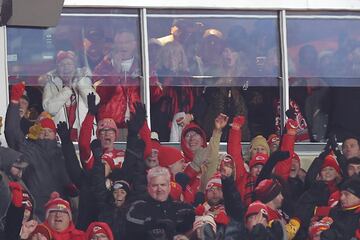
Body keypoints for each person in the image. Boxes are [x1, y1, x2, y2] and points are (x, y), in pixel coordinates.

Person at [124, 166, 195, 240]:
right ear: (148, 187)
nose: (159, 189)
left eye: (163, 185)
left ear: (169, 187)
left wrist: (183, 236)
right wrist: (157, 223)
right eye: (155, 185)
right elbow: (131, 223)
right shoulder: (138, 206)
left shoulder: (183, 208)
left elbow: (198, 223)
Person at [42, 50, 100, 140]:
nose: (66, 68)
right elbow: (49, 109)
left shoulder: (84, 80)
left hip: (85, 135)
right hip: (61, 135)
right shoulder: (51, 84)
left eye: (69, 64)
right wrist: (67, 90)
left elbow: (95, 102)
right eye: (62, 65)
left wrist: (80, 82)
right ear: (57, 68)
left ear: (75, 67)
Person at [93, 29, 141, 129]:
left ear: (134, 44)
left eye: (127, 42)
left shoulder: (143, 66)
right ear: (115, 45)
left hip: (137, 124)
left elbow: (155, 95)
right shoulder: (103, 66)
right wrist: (115, 72)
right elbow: (99, 95)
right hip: (110, 126)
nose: (123, 46)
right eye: (120, 43)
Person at [5, 82, 33, 151]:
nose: (20, 106)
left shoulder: (31, 129)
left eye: (24, 103)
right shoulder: (4, 122)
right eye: (19, 102)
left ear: (27, 109)